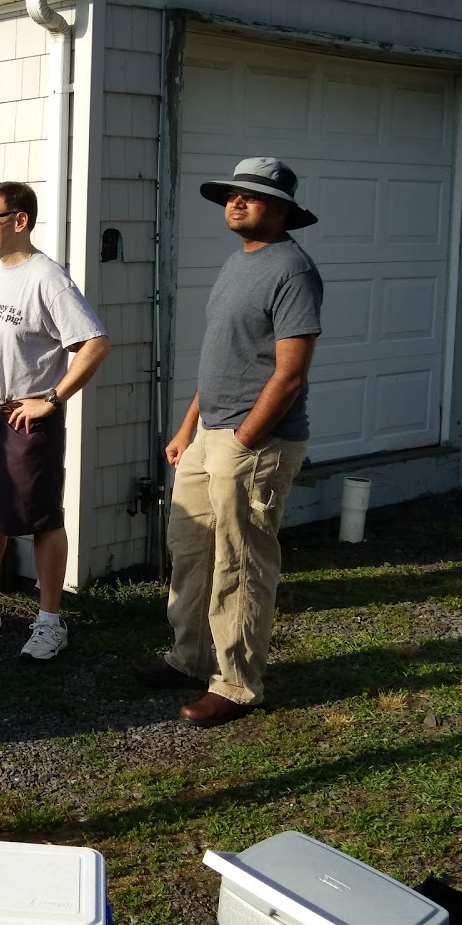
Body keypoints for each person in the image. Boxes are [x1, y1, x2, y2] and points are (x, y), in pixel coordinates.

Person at [132, 157, 324, 727]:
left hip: (256, 444)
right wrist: (190, 426)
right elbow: (223, 358)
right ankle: (188, 657)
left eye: (252, 195)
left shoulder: (294, 270)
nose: (235, 203)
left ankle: (237, 683)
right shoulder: (237, 263)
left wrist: (244, 437)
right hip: (210, 435)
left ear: (283, 208)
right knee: (190, 549)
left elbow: (289, 373)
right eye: (231, 194)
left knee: (240, 563)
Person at [0, 182, 110, 661]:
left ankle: (50, 622)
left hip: (23, 418)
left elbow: (94, 343)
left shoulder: (47, 279)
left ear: (20, 221)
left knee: (40, 518)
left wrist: (52, 399)